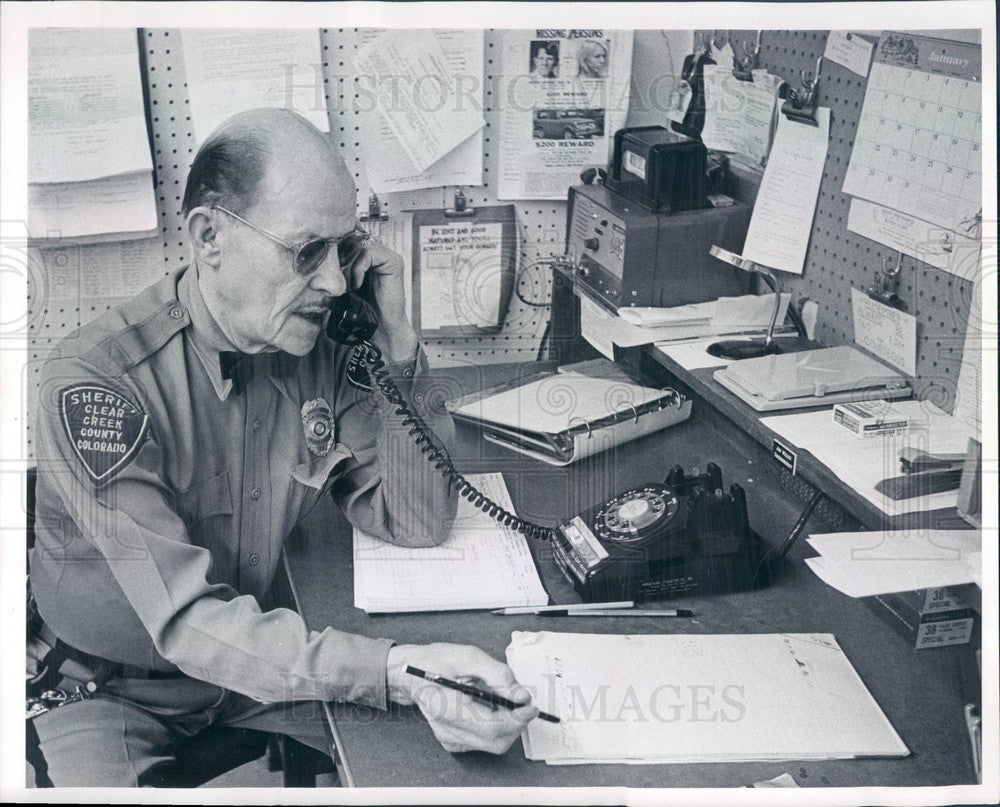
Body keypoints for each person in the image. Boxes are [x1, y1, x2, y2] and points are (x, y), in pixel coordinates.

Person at [27, 108, 539, 787]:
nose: (333, 283)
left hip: (260, 665)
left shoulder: (316, 346)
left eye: (344, 251)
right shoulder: (96, 383)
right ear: (209, 237)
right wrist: (390, 668)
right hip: (116, 688)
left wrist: (401, 347)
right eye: (306, 253)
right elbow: (185, 621)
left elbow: (416, 519)